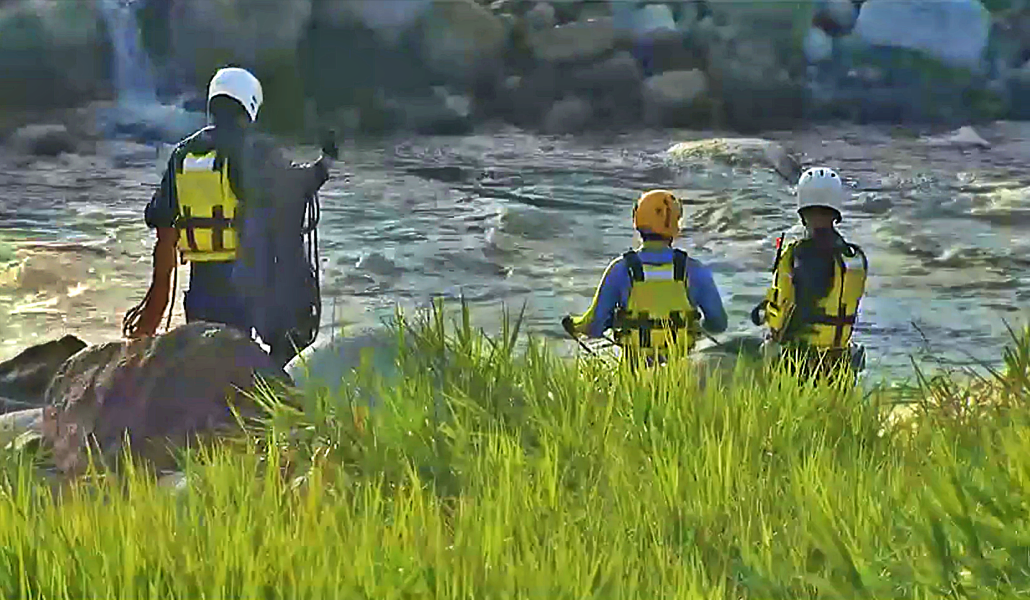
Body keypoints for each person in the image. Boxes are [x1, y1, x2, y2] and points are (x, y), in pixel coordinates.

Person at [124, 66, 337, 368]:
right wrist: (326, 162)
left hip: (199, 290)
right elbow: (295, 188)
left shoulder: (183, 153)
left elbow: (157, 215)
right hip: (244, 287)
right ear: (249, 104)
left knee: (204, 362)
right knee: (247, 362)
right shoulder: (254, 149)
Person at [563, 189, 728, 366]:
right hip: (683, 369)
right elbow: (718, 323)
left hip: (634, 370)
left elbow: (593, 327)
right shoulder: (695, 270)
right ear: (675, 225)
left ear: (637, 222)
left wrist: (573, 324)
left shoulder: (620, 270)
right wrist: (693, 327)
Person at [750, 166, 868, 382]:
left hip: (802, 364)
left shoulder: (805, 254)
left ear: (802, 210)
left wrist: (772, 332)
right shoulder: (851, 256)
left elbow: (798, 310)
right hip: (840, 362)